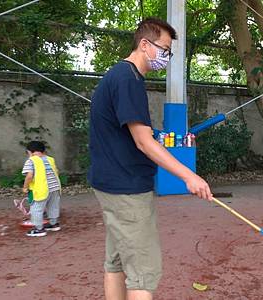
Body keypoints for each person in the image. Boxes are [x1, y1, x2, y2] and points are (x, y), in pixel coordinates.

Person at [88, 18, 212, 299]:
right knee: (143, 272)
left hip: (110, 185)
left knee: (117, 261)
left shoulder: (117, 76)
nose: (166, 57)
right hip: (126, 190)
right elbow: (143, 141)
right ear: (144, 44)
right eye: (164, 49)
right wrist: (188, 175)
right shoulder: (128, 79)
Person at [21, 141, 61, 237]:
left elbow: (29, 176)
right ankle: (53, 224)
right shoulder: (50, 159)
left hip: (41, 189)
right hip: (55, 187)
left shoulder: (31, 161)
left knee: (36, 208)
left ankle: (39, 229)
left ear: (30, 152)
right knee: (53, 206)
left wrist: (25, 187)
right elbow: (57, 172)